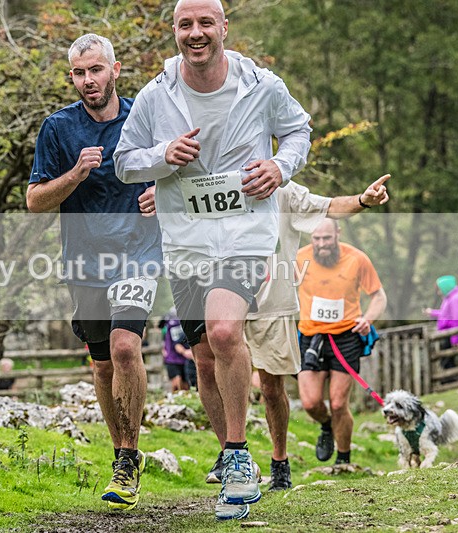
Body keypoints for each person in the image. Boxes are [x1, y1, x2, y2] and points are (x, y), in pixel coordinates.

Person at [114, 0, 311, 520]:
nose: (195, 33)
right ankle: (230, 452)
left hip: (246, 232)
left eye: (206, 23)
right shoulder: (157, 96)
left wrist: (279, 167)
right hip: (185, 240)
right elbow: (124, 162)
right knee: (203, 357)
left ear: (224, 27)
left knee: (226, 333)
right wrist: (162, 157)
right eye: (185, 25)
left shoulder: (261, 86)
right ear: (174, 32)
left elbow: (298, 131)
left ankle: (241, 458)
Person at [26, 33, 162, 511]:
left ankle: (127, 459)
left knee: (126, 347)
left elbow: (181, 172)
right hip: (84, 261)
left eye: (96, 70)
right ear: (72, 78)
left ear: (115, 70)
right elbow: (35, 202)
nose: (89, 81)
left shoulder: (145, 118)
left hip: (139, 252)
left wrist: (161, 198)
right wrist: (75, 175)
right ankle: (120, 448)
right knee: (102, 363)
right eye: (80, 73)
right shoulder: (58, 129)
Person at [202, 175, 391, 491]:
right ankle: (230, 454)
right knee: (213, 371)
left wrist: (362, 199)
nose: (321, 244)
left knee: (275, 388)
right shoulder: (213, 179)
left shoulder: (284, 191)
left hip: (285, 312)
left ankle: (282, 464)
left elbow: (328, 205)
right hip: (232, 298)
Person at [296, 219, 387, 466]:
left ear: (337, 234)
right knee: (311, 402)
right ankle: (326, 426)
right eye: (316, 239)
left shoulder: (356, 259)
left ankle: (343, 460)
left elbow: (378, 296)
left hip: (346, 336)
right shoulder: (299, 258)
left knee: (338, 403)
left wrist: (367, 318)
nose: (322, 244)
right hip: (310, 336)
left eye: (326, 238)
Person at [423, 276, 458, 369]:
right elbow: (445, 314)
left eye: (439, 289)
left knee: (446, 361)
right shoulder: (449, 298)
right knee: (446, 360)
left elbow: (457, 319)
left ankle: (451, 381)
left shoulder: (456, 298)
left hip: (451, 334)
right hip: (448, 333)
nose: (439, 293)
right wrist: (432, 312)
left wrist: (455, 340)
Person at [159, 310, 191, 392]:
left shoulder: (189, 316)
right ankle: (175, 400)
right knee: (176, 383)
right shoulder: (169, 316)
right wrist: (164, 348)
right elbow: (161, 330)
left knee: (186, 385)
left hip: (186, 357)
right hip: (171, 357)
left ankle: (183, 401)